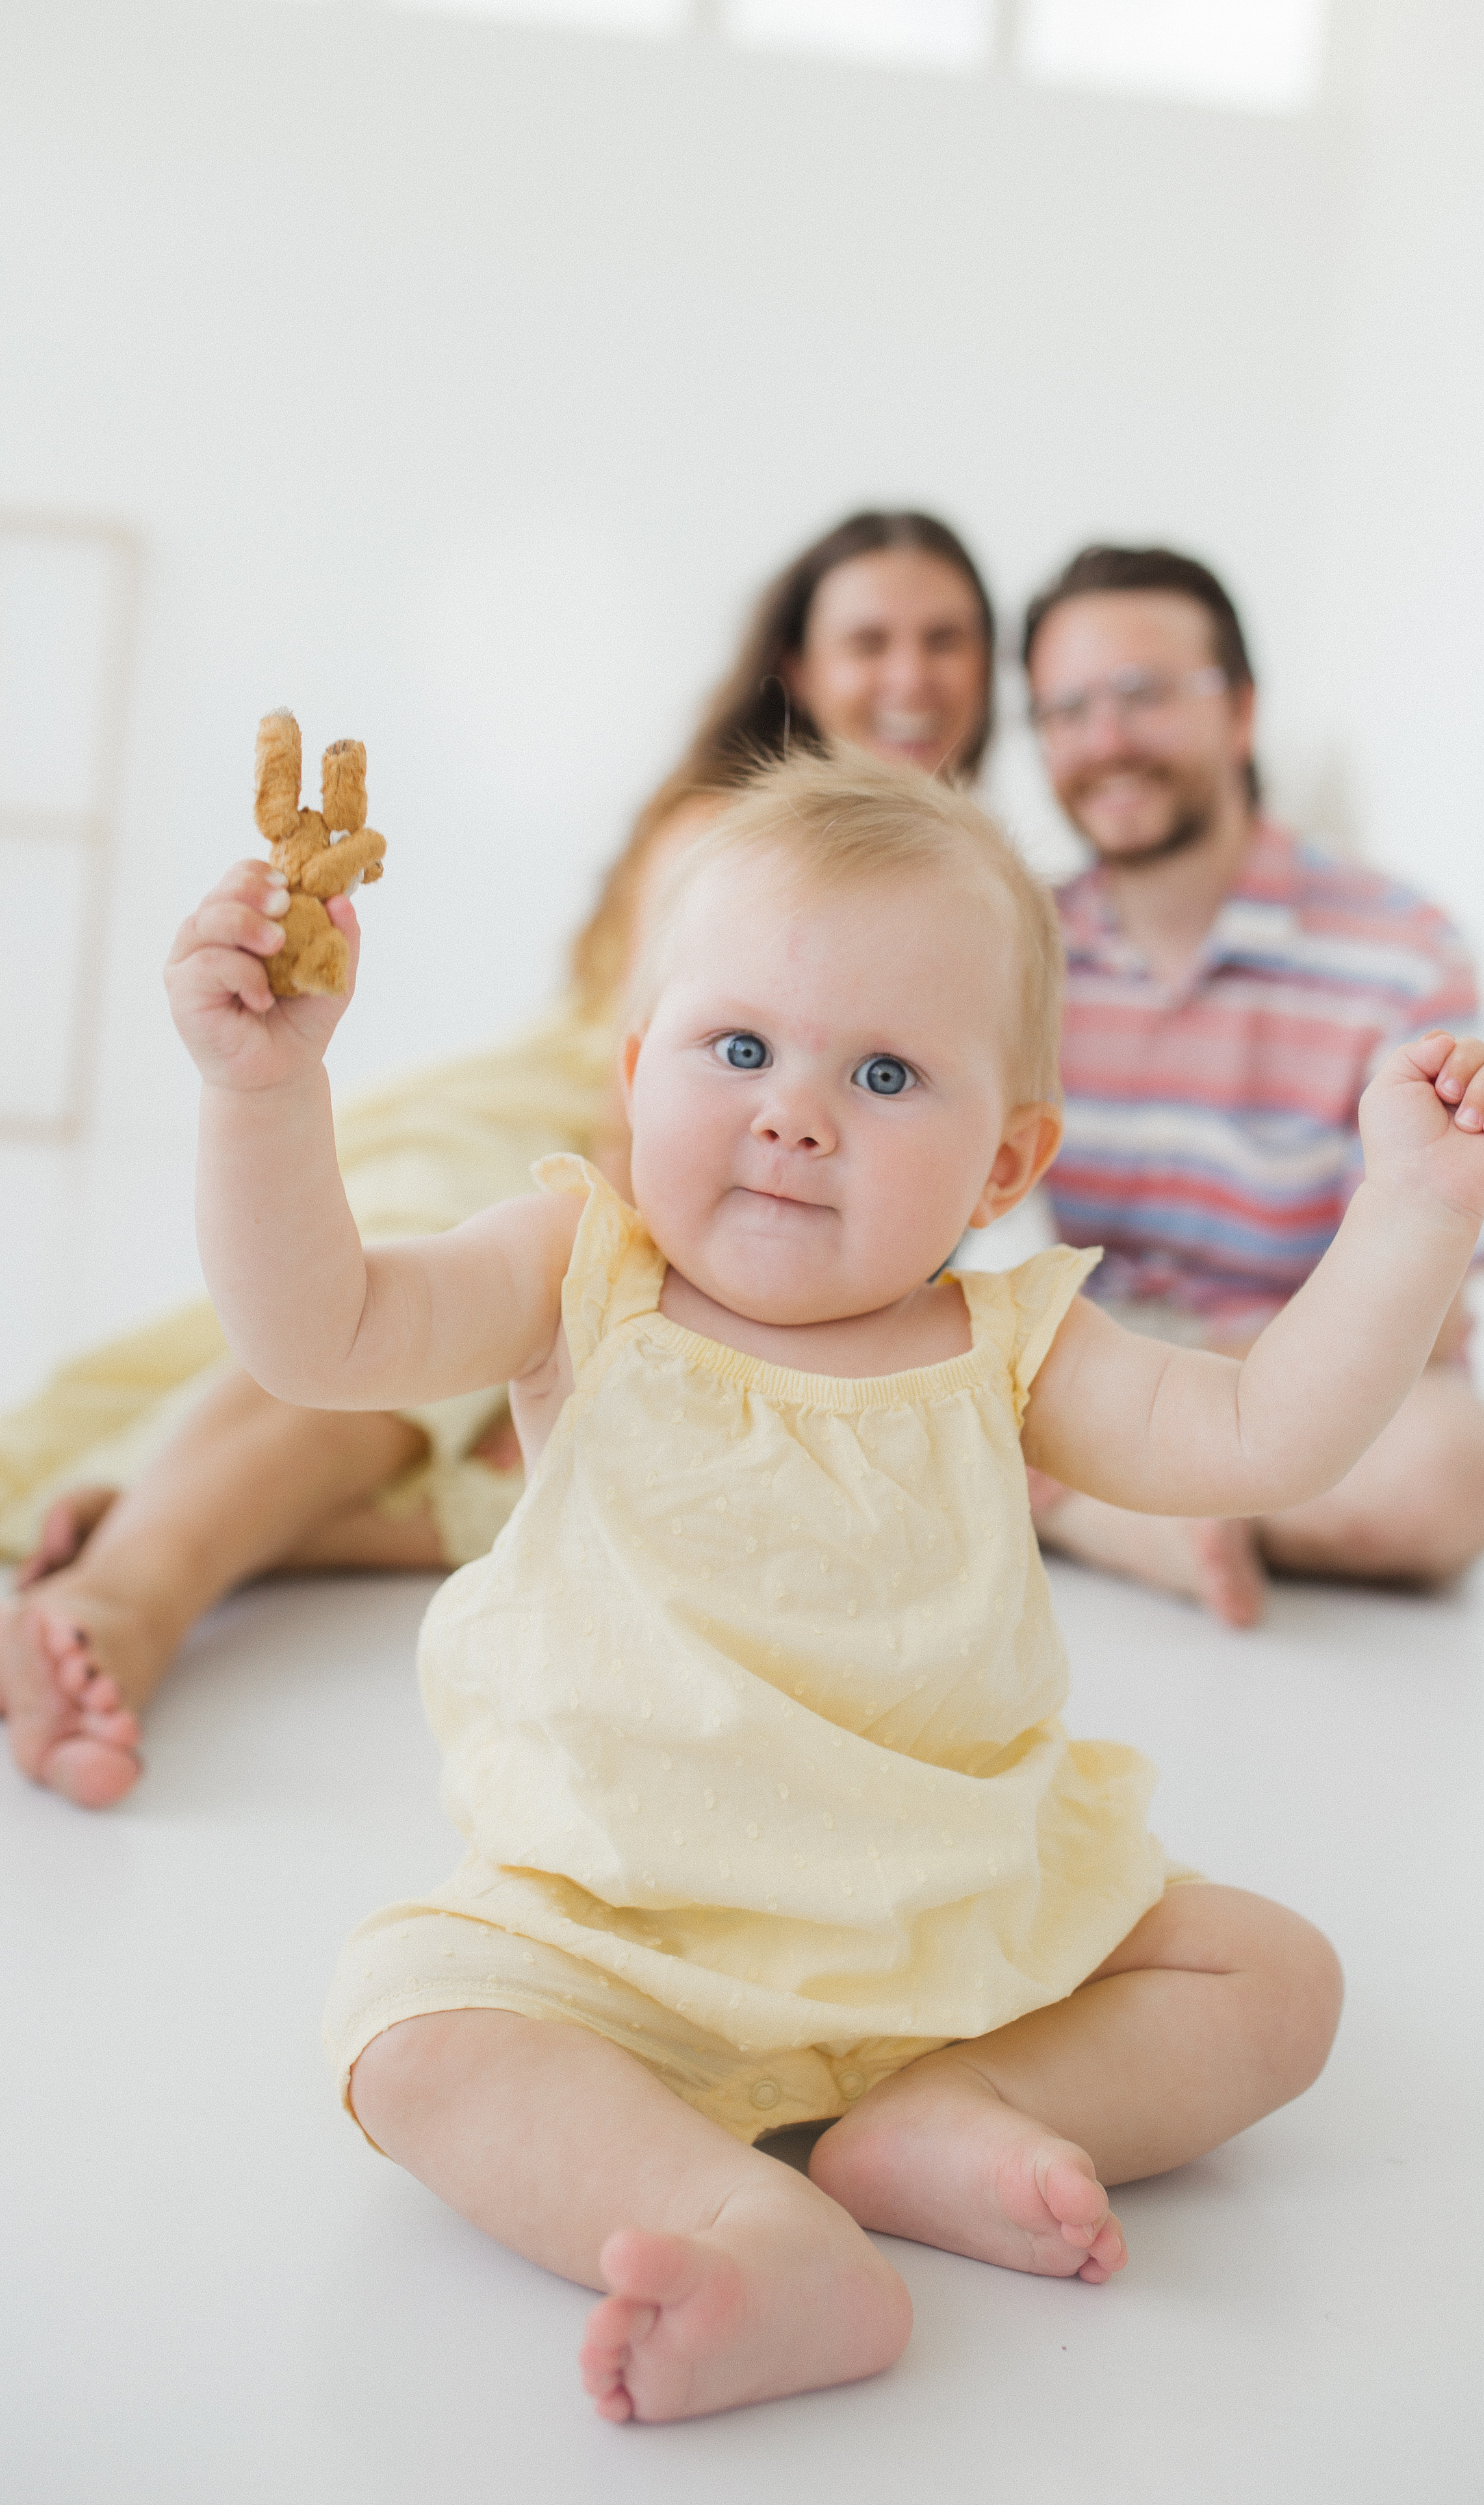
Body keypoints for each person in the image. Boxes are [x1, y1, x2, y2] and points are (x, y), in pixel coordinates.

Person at [166, 744, 1484, 2422]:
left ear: (1003, 1167)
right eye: (738, 1048)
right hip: (620, 1930)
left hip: (955, 1926)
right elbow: (323, 1333)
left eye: (885, 1074)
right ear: (637, 1069)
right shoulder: (577, 1273)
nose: (794, 1112)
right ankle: (745, 2231)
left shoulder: (1013, 1344)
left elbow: (1261, 1433)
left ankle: (956, 2114)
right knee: (406, 2026)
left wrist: (1412, 1214)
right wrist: (264, 1096)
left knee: (1277, 1979)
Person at [0, 509, 994, 1809]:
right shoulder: (729, 831)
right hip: (569, 1129)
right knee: (418, 1345)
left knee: (544, 1471)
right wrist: (635, 1307)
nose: (910, 674)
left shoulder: (970, 892)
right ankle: (121, 1598)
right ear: (802, 668)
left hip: (711, 1168)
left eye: (944, 639)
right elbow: (665, 1099)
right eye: (870, 641)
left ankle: (152, 1506)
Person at [1021, 545, 1484, 1626]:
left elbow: (1431, 1312)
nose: (1105, 741)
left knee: (1454, 1471)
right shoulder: (1021, 943)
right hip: (1097, 1373)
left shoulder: (1403, 950)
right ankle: (1116, 1508)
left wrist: (1203, 1406)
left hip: (1308, 1376)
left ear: (1241, 712)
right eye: (1065, 711)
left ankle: (1067, 1502)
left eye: (1143, 695)